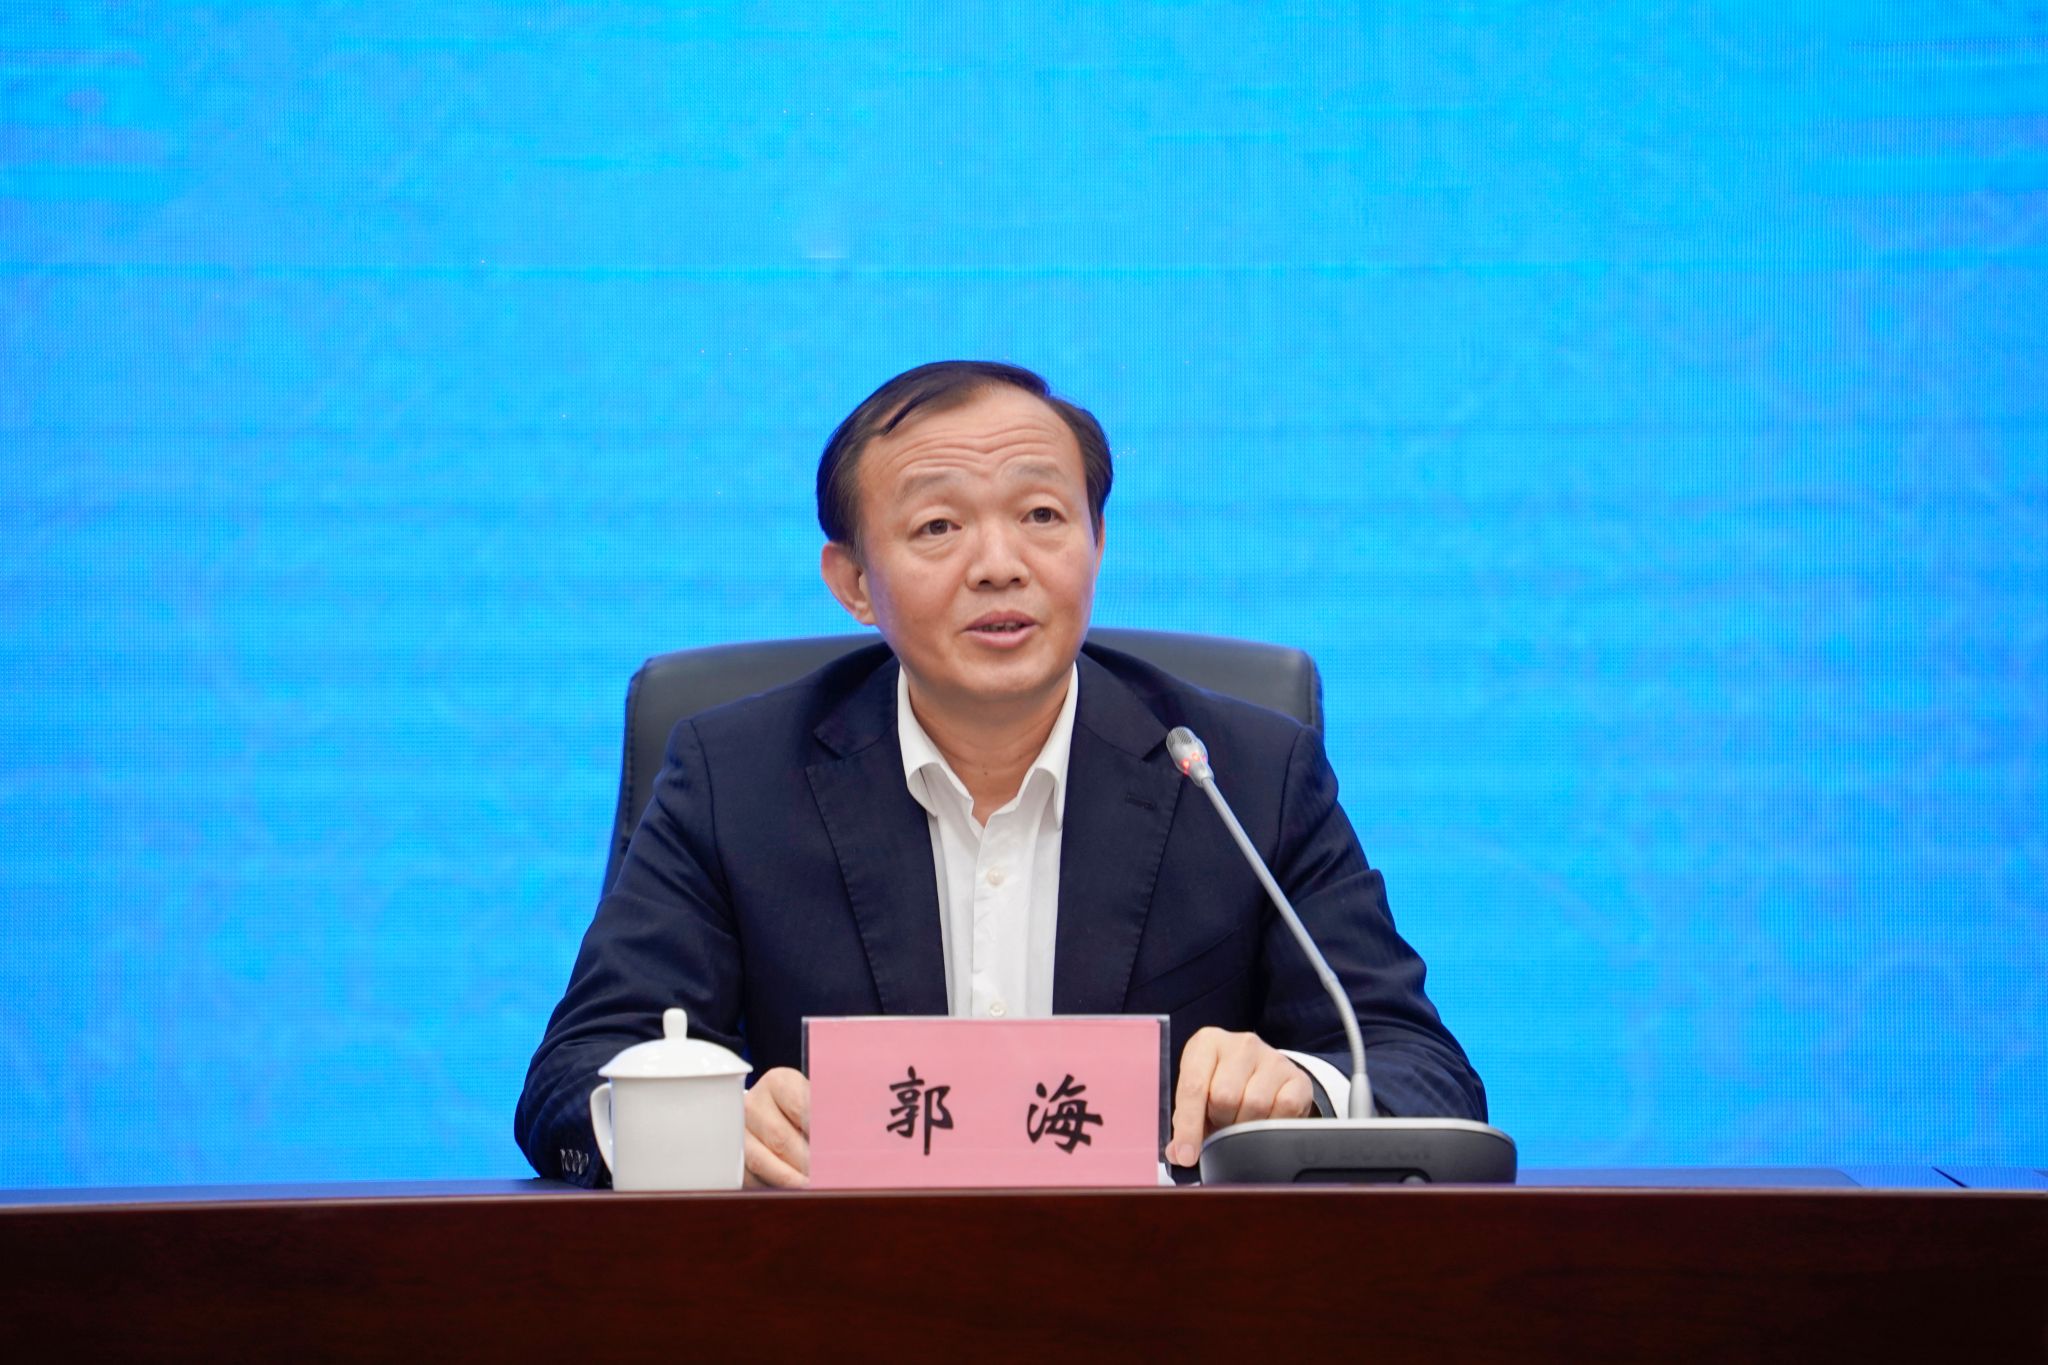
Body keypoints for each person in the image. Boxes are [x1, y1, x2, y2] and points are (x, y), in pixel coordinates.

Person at [516, 361, 1485, 1186]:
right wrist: (701, 1121)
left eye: (1041, 514)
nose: (999, 564)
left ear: (1096, 544)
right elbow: (570, 1080)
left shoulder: (1241, 773)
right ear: (853, 583)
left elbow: (1420, 1072)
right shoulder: (734, 776)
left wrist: (1298, 1090)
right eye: (938, 527)